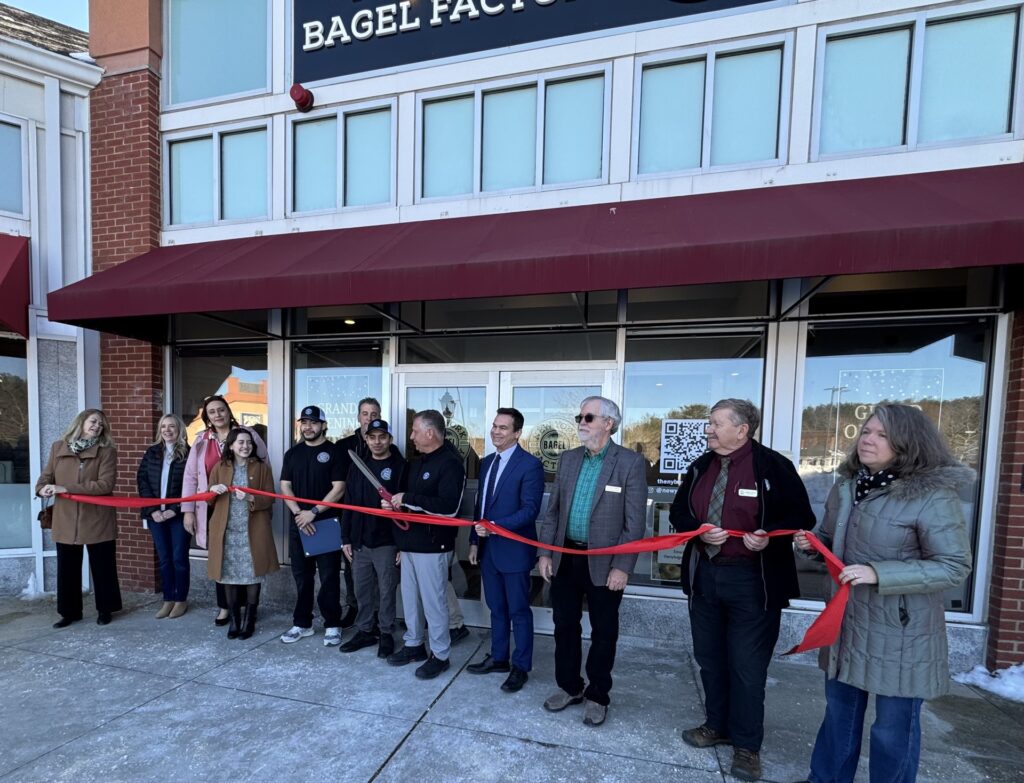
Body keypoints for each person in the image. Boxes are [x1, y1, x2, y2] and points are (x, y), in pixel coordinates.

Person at [794, 404, 972, 783]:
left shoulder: (931, 495)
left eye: (882, 435)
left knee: (892, 732)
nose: (868, 441)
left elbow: (953, 566)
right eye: (866, 432)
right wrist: (812, 543)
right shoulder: (846, 486)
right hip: (847, 622)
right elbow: (829, 537)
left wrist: (878, 573)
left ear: (907, 444)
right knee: (839, 718)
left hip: (902, 633)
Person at [669, 398, 816, 782]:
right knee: (710, 658)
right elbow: (678, 513)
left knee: (748, 669)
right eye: (709, 423)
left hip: (754, 580)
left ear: (742, 429)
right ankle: (716, 725)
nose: (709, 429)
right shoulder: (701, 465)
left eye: (717, 423)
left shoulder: (773, 466)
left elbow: (801, 516)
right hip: (706, 575)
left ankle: (747, 747)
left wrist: (770, 537)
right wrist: (697, 528)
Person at [537, 396, 646, 727]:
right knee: (564, 625)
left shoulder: (629, 463)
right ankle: (570, 686)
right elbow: (553, 511)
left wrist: (622, 566)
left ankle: (598, 694)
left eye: (588, 417)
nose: (581, 422)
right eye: (579, 416)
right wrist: (544, 552)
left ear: (608, 423)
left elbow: (634, 522)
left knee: (604, 631)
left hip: (605, 562)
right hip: (566, 557)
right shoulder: (569, 460)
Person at [384, 409, 466, 680]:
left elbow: (449, 508)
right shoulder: (416, 463)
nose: (411, 436)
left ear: (430, 432)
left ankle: (440, 654)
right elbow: (408, 504)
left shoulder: (451, 463)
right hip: (409, 545)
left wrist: (407, 498)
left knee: (434, 603)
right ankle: (413, 644)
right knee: (410, 601)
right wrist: (394, 504)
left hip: (434, 546)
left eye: (415, 431)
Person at [467, 408, 544, 693]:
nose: (495, 432)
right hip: (488, 549)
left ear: (517, 433)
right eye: (494, 426)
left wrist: (495, 526)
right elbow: (480, 507)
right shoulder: (487, 462)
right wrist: (474, 542)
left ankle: (520, 666)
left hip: (514, 551)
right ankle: (499, 658)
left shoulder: (530, 465)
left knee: (519, 611)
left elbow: (530, 510)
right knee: (496, 608)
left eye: (503, 428)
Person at [181, 395, 268, 625]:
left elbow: (262, 466)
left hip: (244, 504)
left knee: (246, 557)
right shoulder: (201, 441)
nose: (217, 415)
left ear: (228, 411)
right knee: (222, 557)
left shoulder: (247, 435)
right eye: (212, 412)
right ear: (207, 417)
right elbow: (190, 477)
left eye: (221, 410)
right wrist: (188, 509)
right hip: (212, 505)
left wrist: (255, 496)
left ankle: (246, 609)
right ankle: (225, 607)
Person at [36, 409, 122, 628]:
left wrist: (66, 488)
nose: (97, 426)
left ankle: (105, 609)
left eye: (101, 424)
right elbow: (46, 476)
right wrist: (42, 489)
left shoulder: (106, 452)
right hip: (65, 517)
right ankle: (69, 612)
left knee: (103, 567)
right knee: (67, 569)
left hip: (97, 517)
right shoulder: (58, 447)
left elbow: (105, 485)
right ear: (81, 423)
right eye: (93, 421)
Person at [279, 405, 347, 646]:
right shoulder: (293, 454)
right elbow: (285, 486)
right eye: (304, 422)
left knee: (329, 577)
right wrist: (300, 514)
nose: (308, 427)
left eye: (313, 422)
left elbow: (338, 488)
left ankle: (332, 624)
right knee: (302, 577)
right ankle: (302, 623)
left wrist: (314, 512)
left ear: (323, 425)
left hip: (326, 523)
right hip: (299, 523)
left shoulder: (334, 452)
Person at [340, 418, 405, 657]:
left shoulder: (400, 467)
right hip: (360, 541)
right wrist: (346, 537)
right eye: (372, 437)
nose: (377, 442)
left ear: (389, 439)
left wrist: (402, 545)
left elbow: (406, 509)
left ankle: (386, 632)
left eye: (382, 437)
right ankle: (366, 630)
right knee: (362, 589)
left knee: (387, 590)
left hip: (387, 541)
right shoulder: (358, 465)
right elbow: (348, 503)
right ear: (366, 439)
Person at [207, 428, 279, 639]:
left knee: (251, 576)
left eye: (248, 442)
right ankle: (235, 620)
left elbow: (270, 498)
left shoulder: (261, 467)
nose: (245, 446)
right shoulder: (219, 467)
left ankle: (250, 618)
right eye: (240, 442)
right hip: (227, 532)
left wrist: (250, 498)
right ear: (231, 445)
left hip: (252, 531)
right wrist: (214, 490)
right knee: (228, 576)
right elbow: (207, 499)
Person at [333, 396, 388, 628]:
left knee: (381, 576)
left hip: (380, 522)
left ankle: (378, 616)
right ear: (358, 417)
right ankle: (354, 608)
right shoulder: (344, 447)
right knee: (352, 570)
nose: (369, 418)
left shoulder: (388, 447)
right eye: (365, 414)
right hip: (353, 519)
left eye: (374, 414)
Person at [136, 414, 190, 619]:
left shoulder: (188, 453)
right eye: (164, 426)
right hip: (155, 515)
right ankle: (168, 598)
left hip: (177, 515)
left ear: (179, 429)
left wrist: (174, 509)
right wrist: (153, 510)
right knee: (165, 558)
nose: (167, 430)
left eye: (172, 426)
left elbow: (191, 486)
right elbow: (142, 481)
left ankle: (181, 599)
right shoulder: (152, 452)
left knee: (179, 558)